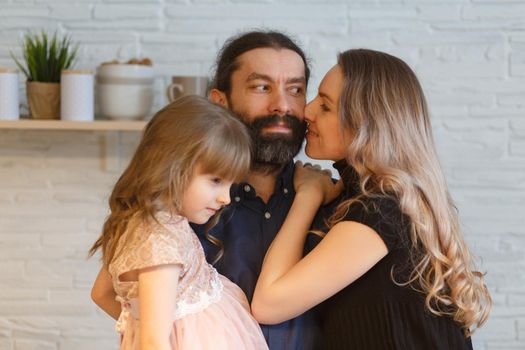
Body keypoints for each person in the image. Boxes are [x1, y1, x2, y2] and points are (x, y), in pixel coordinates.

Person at [251, 49, 492, 349]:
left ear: (365, 125)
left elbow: (269, 303)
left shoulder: (381, 210)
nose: (307, 111)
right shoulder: (364, 198)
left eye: (325, 106)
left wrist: (308, 196)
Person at [89, 95, 268, 350]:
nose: (225, 197)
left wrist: (139, 325)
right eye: (216, 180)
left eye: (231, 184)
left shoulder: (142, 220)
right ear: (172, 164)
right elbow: (154, 343)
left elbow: (101, 293)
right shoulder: (161, 241)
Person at [191, 30, 326, 350]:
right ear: (219, 102)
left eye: (295, 89)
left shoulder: (336, 203)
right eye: (262, 87)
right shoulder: (186, 205)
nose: (282, 105)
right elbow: (120, 297)